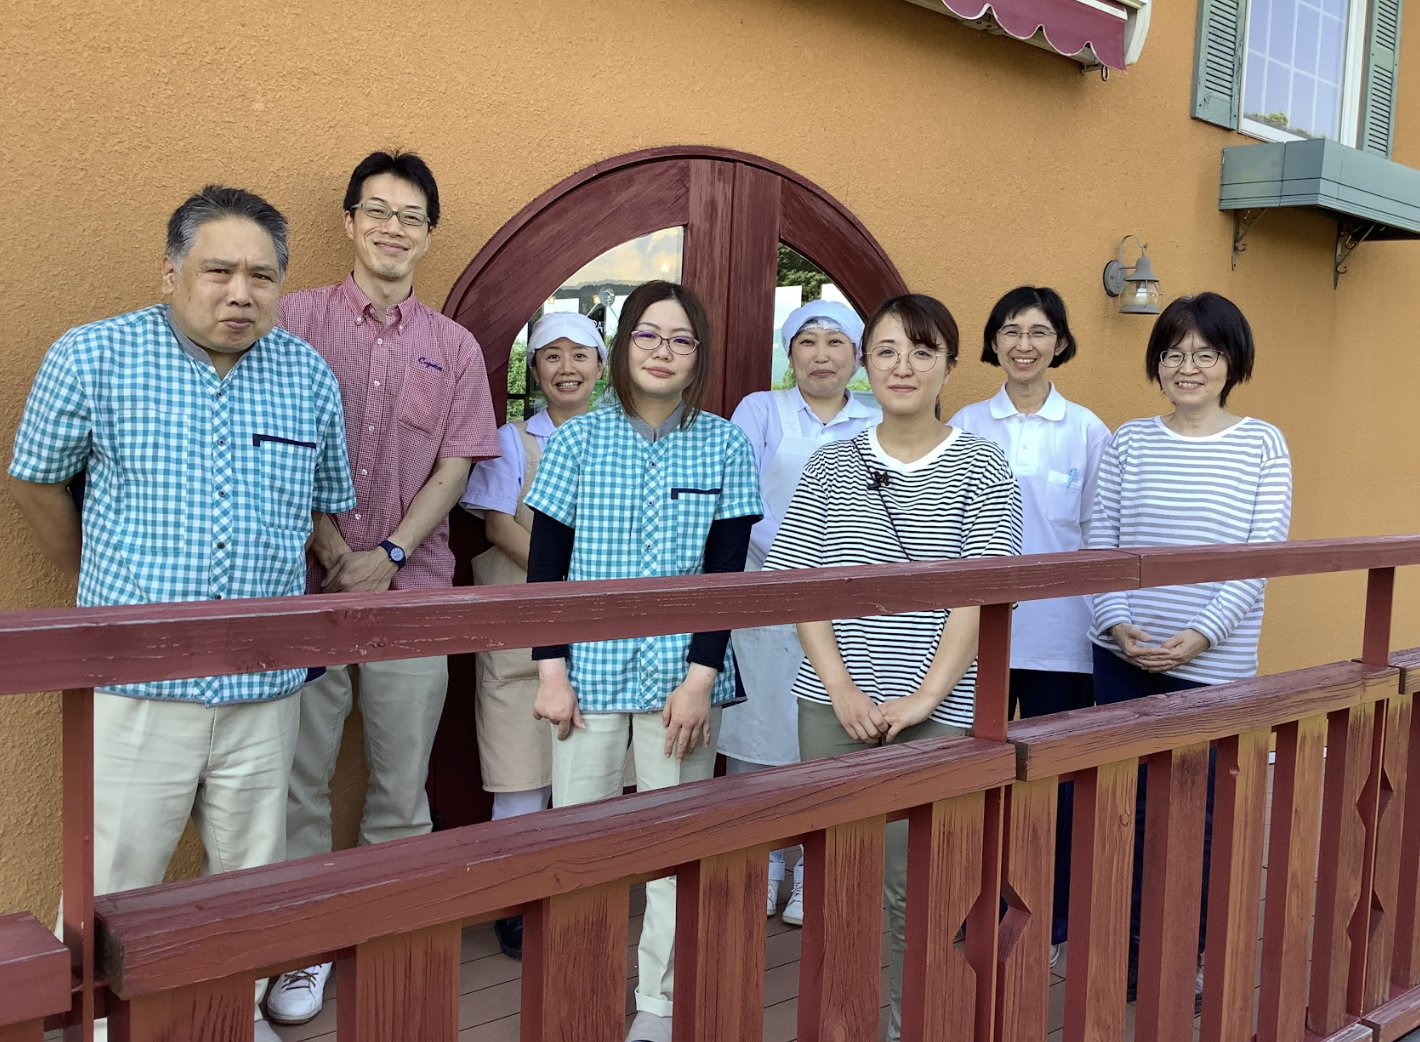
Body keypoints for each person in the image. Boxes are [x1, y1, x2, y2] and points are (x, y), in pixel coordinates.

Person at [7, 185, 355, 1042]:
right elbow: (37, 482)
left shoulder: (308, 374)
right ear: (171, 273)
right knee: (116, 875)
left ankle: (232, 1018)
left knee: (249, 882)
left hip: (265, 687)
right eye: (218, 271)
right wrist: (102, 585)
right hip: (137, 681)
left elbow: (322, 503)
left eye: (262, 276)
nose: (241, 292)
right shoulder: (94, 356)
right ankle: (99, 1026)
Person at [268, 150, 500, 1024]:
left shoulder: (454, 347)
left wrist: (392, 553)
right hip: (307, 586)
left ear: (428, 234)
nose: (393, 228)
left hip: (416, 590)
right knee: (300, 778)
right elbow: (272, 443)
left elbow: (454, 466)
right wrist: (334, 548)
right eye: (378, 210)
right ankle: (302, 947)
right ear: (349, 221)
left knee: (402, 783)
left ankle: (385, 931)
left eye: (410, 216)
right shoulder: (292, 320)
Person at [765, 293, 1023, 1042]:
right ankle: (844, 1026)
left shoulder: (983, 466)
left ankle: (915, 1026)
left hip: (939, 710)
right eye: (886, 351)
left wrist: (925, 698)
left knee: (924, 889)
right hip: (833, 707)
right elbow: (801, 585)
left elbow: (979, 594)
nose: (902, 367)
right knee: (841, 883)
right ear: (865, 364)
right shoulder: (830, 463)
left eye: (921, 351)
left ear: (949, 364)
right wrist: (842, 688)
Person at [523, 281, 762, 1042]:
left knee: (674, 848)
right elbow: (545, 567)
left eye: (681, 339)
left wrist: (700, 680)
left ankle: (658, 1004)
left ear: (700, 355)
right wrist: (550, 673)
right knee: (581, 844)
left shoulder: (725, 443)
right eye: (648, 336)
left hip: (681, 682)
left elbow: (726, 574)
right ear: (624, 346)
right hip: (585, 676)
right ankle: (580, 989)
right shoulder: (577, 440)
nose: (663, 352)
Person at [1086, 291, 1292, 1004]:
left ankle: (1189, 954)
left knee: (1199, 820)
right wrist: (1118, 624)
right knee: (1124, 810)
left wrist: (1201, 635)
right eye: (1174, 353)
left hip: (1213, 667)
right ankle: (1125, 953)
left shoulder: (1262, 443)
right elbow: (1101, 543)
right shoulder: (1129, 441)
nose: (1188, 366)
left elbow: (1260, 557)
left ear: (1233, 362)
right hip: (1123, 658)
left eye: (1206, 353)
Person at [947, 285, 1109, 964]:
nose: (1024, 344)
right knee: (970, 773)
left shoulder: (1087, 430)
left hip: (1060, 637)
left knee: (1055, 781)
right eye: (1010, 330)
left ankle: (1056, 916)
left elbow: (1099, 531)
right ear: (993, 341)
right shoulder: (965, 423)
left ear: (1060, 342)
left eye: (1039, 332)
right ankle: (966, 905)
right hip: (975, 636)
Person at [721, 299, 879, 927]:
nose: (821, 355)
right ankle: (762, 864)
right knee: (758, 732)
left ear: (857, 356)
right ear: (789, 353)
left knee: (830, 734)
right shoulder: (762, 410)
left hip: (848, 600)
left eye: (836, 342)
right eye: (807, 341)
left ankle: (817, 868)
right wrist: (798, 559)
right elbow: (741, 496)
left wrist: (835, 569)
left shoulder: (876, 414)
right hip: (766, 591)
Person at [458, 311, 606, 960]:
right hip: (524, 628)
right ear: (534, 368)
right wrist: (569, 579)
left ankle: (579, 895)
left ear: (601, 366)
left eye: (580, 355)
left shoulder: (624, 437)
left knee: (591, 772)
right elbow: (497, 525)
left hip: (600, 633)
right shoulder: (513, 440)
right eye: (552, 356)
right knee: (520, 773)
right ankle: (517, 903)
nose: (566, 368)